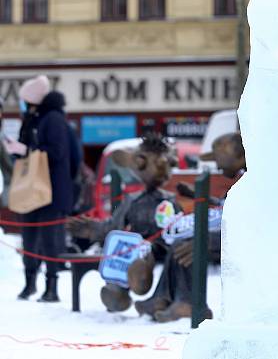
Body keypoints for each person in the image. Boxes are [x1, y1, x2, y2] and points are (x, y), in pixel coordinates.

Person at [134, 132, 245, 322]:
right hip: (231, 237)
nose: (217, 165)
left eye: (218, 159)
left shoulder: (253, 181)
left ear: (237, 155)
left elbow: (247, 227)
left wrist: (207, 240)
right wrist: (198, 196)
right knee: (180, 241)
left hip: (245, 242)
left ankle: (188, 304)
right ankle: (162, 298)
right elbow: (228, 209)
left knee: (187, 243)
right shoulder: (245, 179)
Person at [66, 134, 181, 312]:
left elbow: (176, 228)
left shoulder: (168, 201)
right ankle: (117, 290)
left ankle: (143, 277)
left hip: (158, 246)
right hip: (133, 244)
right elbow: (115, 225)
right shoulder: (132, 200)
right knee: (120, 250)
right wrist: (94, 229)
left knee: (145, 254)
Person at [16, 77, 79, 302]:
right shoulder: (32, 119)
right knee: (29, 239)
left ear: (32, 99)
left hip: (51, 192)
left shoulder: (53, 119)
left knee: (50, 240)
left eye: (24, 100)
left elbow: (57, 153)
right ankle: (29, 284)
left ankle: (51, 288)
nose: (21, 103)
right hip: (31, 190)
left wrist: (26, 148)